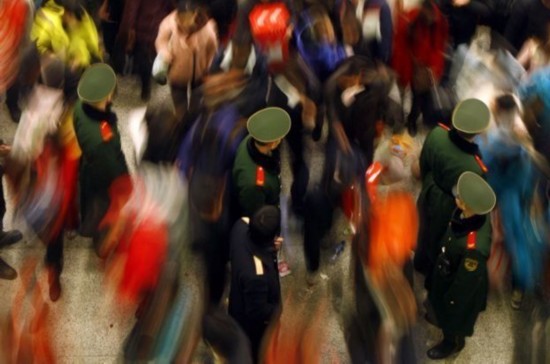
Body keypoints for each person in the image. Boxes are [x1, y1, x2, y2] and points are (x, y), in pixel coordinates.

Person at [414, 98, 491, 288]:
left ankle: (418, 262)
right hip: (448, 205)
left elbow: (424, 164)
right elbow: (470, 197)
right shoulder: (475, 165)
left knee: (423, 227)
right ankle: (430, 274)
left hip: (430, 189)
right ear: (478, 132)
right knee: (438, 239)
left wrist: (429, 185)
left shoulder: (437, 134)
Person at [427, 171, 496, 359]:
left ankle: (452, 343)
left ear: (466, 205)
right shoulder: (470, 214)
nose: (456, 197)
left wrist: (449, 303)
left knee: (454, 321)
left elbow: (464, 286)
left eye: (459, 197)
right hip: (448, 269)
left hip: (458, 287)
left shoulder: (474, 248)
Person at [73, 63, 129, 247]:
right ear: (108, 96)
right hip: (101, 178)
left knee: (87, 200)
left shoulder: (79, 108)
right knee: (102, 210)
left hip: (87, 168)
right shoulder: (101, 140)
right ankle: (100, 240)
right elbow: (110, 170)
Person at [228, 205, 282, 362]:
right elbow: (258, 311)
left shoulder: (241, 225)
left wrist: (269, 247)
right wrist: (277, 310)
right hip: (251, 325)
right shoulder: (257, 276)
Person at [391, 0, 449, 135]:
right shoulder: (408, 20)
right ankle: (400, 119)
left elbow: (439, 46)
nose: (430, 20)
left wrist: (435, 68)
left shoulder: (439, 21)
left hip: (425, 68)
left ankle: (412, 120)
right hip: (409, 64)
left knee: (418, 98)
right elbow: (400, 46)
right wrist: (401, 71)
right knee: (402, 94)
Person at [155, 0, 218, 119]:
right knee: (180, 106)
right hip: (177, 75)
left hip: (198, 74)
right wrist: (164, 53)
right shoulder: (168, 25)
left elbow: (212, 48)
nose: (184, 25)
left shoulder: (206, 29)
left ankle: (193, 121)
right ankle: (182, 122)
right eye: (181, 20)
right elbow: (161, 41)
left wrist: (207, 65)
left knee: (197, 105)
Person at [232, 107, 291, 218]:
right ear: (273, 144)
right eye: (280, 138)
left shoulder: (253, 138)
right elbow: (257, 215)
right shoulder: (253, 184)